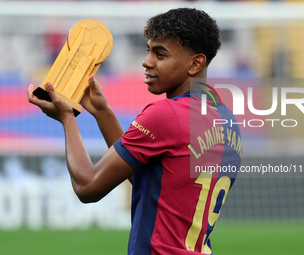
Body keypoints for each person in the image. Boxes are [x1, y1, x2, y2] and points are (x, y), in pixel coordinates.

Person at [28, 8, 242, 255]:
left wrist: (67, 117)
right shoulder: (227, 121)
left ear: (195, 63)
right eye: (149, 50)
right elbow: (151, 181)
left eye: (160, 54)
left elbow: (87, 186)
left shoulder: (167, 114)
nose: (147, 61)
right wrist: (103, 112)